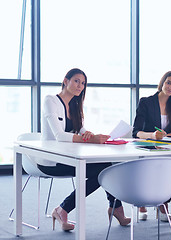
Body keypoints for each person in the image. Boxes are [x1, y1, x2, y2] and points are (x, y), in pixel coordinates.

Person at [38, 68, 131, 231]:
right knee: (104, 170)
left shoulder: (74, 105)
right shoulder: (50, 100)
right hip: (51, 160)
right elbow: (59, 135)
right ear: (66, 81)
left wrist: (92, 135)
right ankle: (65, 209)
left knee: (107, 168)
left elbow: (80, 129)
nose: (80, 86)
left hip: (67, 157)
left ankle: (112, 207)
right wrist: (90, 139)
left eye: (83, 83)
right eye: (76, 81)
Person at [132, 70, 171, 221]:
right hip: (147, 148)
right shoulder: (146, 102)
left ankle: (163, 204)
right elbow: (136, 132)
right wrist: (152, 136)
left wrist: (169, 135)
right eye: (168, 82)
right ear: (162, 83)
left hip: (166, 148)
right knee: (147, 169)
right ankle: (142, 204)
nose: (170, 87)